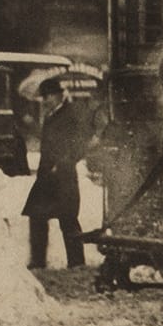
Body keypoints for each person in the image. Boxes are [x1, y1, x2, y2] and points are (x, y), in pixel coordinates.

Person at [22, 79, 95, 269]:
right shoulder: (51, 115)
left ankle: (77, 263)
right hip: (46, 175)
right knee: (36, 215)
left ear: (57, 95)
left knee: (68, 218)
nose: (44, 101)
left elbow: (80, 143)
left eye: (46, 97)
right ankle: (38, 260)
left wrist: (64, 162)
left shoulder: (71, 114)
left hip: (64, 176)